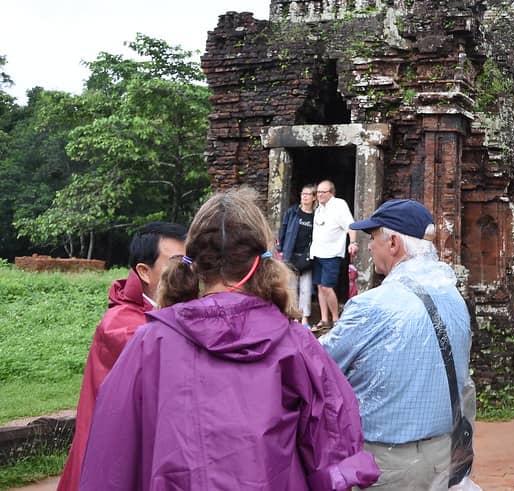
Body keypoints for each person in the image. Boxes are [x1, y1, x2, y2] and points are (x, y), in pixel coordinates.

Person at [79, 187, 380, 491]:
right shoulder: (297, 345)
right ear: (258, 262)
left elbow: (112, 458)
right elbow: (333, 455)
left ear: (193, 261)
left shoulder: (150, 342)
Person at [321, 199, 473, 491]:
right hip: (445, 453)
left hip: (388, 461)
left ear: (393, 243)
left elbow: (319, 365)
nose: (369, 247)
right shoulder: (455, 299)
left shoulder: (372, 306)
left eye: (373, 238)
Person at [57, 222, 186, 491]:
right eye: (177, 262)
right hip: (114, 457)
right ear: (144, 271)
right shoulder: (122, 325)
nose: (188, 271)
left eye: (189, 260)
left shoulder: (165, 313)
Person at [310, 180, 358, 330]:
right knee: (319, 286)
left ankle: (336, 320)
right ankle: (324, 319)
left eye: (322, 192)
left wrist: (353, 243)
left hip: (331, 254)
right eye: (318, 192)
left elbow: (350, 226)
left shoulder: (339, 205)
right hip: (317, 253)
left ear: (331, 193)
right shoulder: (318, 208)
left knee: (327, 286)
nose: (319, 195)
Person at [278, 184, 317, 326]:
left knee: (306, 289)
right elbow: (283, 229)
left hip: (306, 256)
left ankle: (305, 318)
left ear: (314, 197)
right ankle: (293, 316)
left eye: (307, 194)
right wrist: (280, 247)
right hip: (291, 253)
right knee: (291, 287)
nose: (304, 197)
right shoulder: (292, 212)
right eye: (303, 194)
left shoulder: (317, 215)